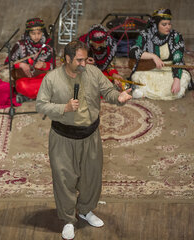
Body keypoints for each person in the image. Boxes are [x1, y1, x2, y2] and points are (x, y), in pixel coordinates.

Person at [36, 40, 132, 240]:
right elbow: (41, 105)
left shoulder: (93, 73)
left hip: (90, 136)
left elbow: (108, 91)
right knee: (65, 180)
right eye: (78, 60)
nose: (83, 64)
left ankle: (85, 210)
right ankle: (69, 220)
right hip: (63, 138)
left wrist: (118, 98)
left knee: (91, 178)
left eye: (84, 60)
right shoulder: (52, 78)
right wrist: (64, 108)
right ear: (67, 59)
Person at [129, 8, 192, 100]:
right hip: (150, 68)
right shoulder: (145, 35)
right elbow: (133, 51)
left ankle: (145, 92)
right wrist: (153, 56)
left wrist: (176, 79)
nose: (168, 27)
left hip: (170, 69)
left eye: (169, 24)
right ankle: (143, 90)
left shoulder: (176, 36)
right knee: (139, 76)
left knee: (184, 77)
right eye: (164, 24)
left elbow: (178, 59)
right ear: (155, 25)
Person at [8, 17, 54, 102]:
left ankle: (27, 97)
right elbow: (8, 63)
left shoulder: (48, 45)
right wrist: (20, 64)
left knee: (52, 83)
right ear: (28, 33)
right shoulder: (20, 45)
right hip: (24, 79)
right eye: (33, 33)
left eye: (39, 33)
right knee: (21, 85)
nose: (36, 36)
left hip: (40, 77)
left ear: (43, 32)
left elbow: (53, 67)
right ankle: (40, 96)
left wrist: (44, 65)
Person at [79, 24, 124, 89]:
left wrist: (113, 74)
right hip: (83, 70)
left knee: (108, 82)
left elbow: (109, 64)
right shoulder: (82, 43)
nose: (97, 47)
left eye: (100, 44)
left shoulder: (110, 45)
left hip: (101, 72)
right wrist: (84, 61)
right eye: (94, 44)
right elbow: (71, 61)